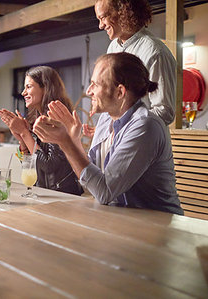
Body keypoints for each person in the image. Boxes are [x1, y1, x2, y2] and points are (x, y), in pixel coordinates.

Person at [33, 53, 183, 215]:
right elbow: (91, 180)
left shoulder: (145, 126)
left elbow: (104, 192)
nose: (89, 91)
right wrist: (73, 139)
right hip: (120, 218)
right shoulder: (106, 119)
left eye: (95, 84)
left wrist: (65, 142)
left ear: (120, 92)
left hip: (158, 225)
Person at [0, 66, 83, 195]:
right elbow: (30, 166)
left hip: (63, 196)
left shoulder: (57, 117)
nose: (23, 93)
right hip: (43, 193)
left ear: (45, 87)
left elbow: (49, 165)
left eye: (28, 87)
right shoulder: (36, 117)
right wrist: (22, 139)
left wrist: (24, 133)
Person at [93, 0, 176, 126]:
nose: (100, 26)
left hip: (143, 139)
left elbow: (165, 111)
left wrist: (126, 128)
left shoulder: (155, 52)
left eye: (103, 17)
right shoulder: (113, 48)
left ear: (123, 12)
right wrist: (106, 130)